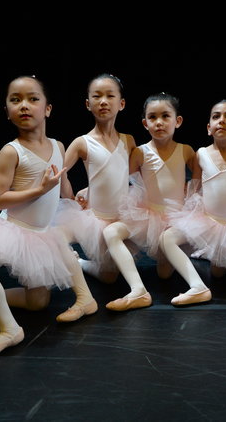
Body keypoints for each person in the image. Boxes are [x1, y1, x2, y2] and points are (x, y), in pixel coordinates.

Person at [0, 75, 96, 360]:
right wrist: (39, 190)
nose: (24, 105)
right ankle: (9, 330)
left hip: (42, 233)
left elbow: (62, 183)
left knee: (38, 304)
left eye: (33, 99)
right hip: (11, 229)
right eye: (16, 100)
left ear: (47, 109)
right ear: (7, 111)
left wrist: (75, 199)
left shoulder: (59, 146)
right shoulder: (11, 152)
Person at [56, 74, 151, 311]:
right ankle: (78, 266)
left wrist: (91, 187)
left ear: (122, 103)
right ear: (88, 104)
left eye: (110, 96)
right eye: (97, 96)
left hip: (122, 217)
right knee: (105, 274)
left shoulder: (128, 141)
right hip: (96, 220)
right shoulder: (82, 142)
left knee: (109, 277)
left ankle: (82, 262)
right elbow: (59, 175)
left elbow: (129, 176)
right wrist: (71, 199)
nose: (103, 101)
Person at [110, 92, 200, 309]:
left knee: (164, 274)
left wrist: (192, 196)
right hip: (147, 216)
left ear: (178, 121)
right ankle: (137, 290)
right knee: (111, 232)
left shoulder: (186, 151)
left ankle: (192, 262)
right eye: (152, 117)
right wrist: (88, 189)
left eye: (165, 116)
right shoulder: (140, 152)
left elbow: (199, 180)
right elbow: (121, 181)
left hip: (175, 219)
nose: (159, 122)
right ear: (145, 123)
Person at [161, 99, 226, 305]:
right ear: (209, 128)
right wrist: (188, 214)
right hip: (207, 220)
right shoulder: (201, 154)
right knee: (166, 238)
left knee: (218, 273)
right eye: (216, 117)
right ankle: (197, 286)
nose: (222, 121)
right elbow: (195, 188)